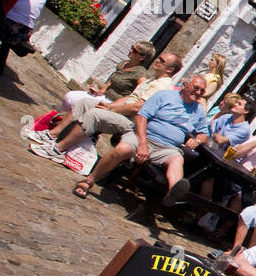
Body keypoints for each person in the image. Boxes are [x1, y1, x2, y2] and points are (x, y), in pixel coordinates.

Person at [70, 73, 210, 203]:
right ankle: (89, 181)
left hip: (168, 147)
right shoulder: (164, 96)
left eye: (202, 91)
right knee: (122, 150)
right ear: (185, 84)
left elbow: (204, 133)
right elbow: (141, 116)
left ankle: (173, 193)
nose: (198, 93)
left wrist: (197, 140)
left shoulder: (198, 110)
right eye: (195, 88)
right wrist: (143, 144)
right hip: (143, 136)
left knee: (177, 159)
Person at [31, 51, 182, 163]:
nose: (157, 60)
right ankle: (52, 135)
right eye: (159, 58)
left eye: (161, 61)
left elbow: (137, 107)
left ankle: (58, 150)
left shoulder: (162, 85)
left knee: (95, 114)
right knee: (85, 102)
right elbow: (130, 98)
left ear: (169, 70)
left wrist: (110, 110)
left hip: (132, 122)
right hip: (123, 113)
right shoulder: (152, 80)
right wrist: (109, 105)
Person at [55, 40, 156, 113]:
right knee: (70, 97)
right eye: (131, 47)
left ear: (142, 57)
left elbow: (137, 94)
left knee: (77, 104)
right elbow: (112, 80)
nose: (130, 51)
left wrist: (115, 105)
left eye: (134, 50)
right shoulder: (124, 64)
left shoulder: (140, 74)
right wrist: (100, 91)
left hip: (112, 102)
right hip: (103, 96)